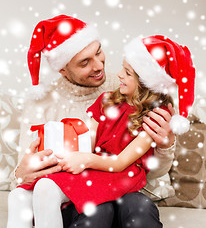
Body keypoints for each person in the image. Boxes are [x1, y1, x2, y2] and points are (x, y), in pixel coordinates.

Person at [7, 15, 179, 228]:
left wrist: (165, 144)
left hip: (127, 187)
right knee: (96, 210)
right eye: (84, 62)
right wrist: (23, 172)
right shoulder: (43, 103)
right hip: (82, 186)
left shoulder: (131, 89)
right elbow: (27, 171)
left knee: (139, 207)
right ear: (63, 69)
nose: (99, 66)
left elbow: (153, 168)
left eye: (98, 52)